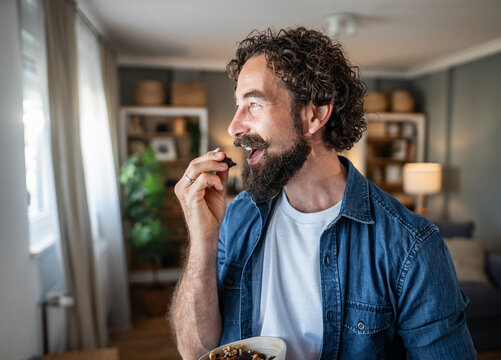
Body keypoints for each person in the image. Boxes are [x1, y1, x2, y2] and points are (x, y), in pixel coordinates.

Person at [169, 27, 476, 360]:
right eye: (237, 105)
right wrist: (203, 240)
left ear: (314, 114)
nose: (233, 127)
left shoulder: (410, 246)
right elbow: (195, 351)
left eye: (253, 104)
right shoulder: (240, 213)